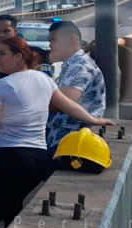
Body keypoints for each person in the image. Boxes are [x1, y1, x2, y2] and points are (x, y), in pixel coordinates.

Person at [0, 36, 112, 225]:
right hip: (39, 158)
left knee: (10, 216)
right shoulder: (44, 78)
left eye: (2, 53)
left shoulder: (2, 85)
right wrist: (93, 119)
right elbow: (68, 105)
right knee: (24, 213)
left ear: (20, 56)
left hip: (9, 158)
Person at [45, 20, 106, 156]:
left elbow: (61, 103)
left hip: (71, 141)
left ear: (71, 41)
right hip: (66, 138)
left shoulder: (79, 67)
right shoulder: (74, 64)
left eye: (54, 40)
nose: (50, 45)